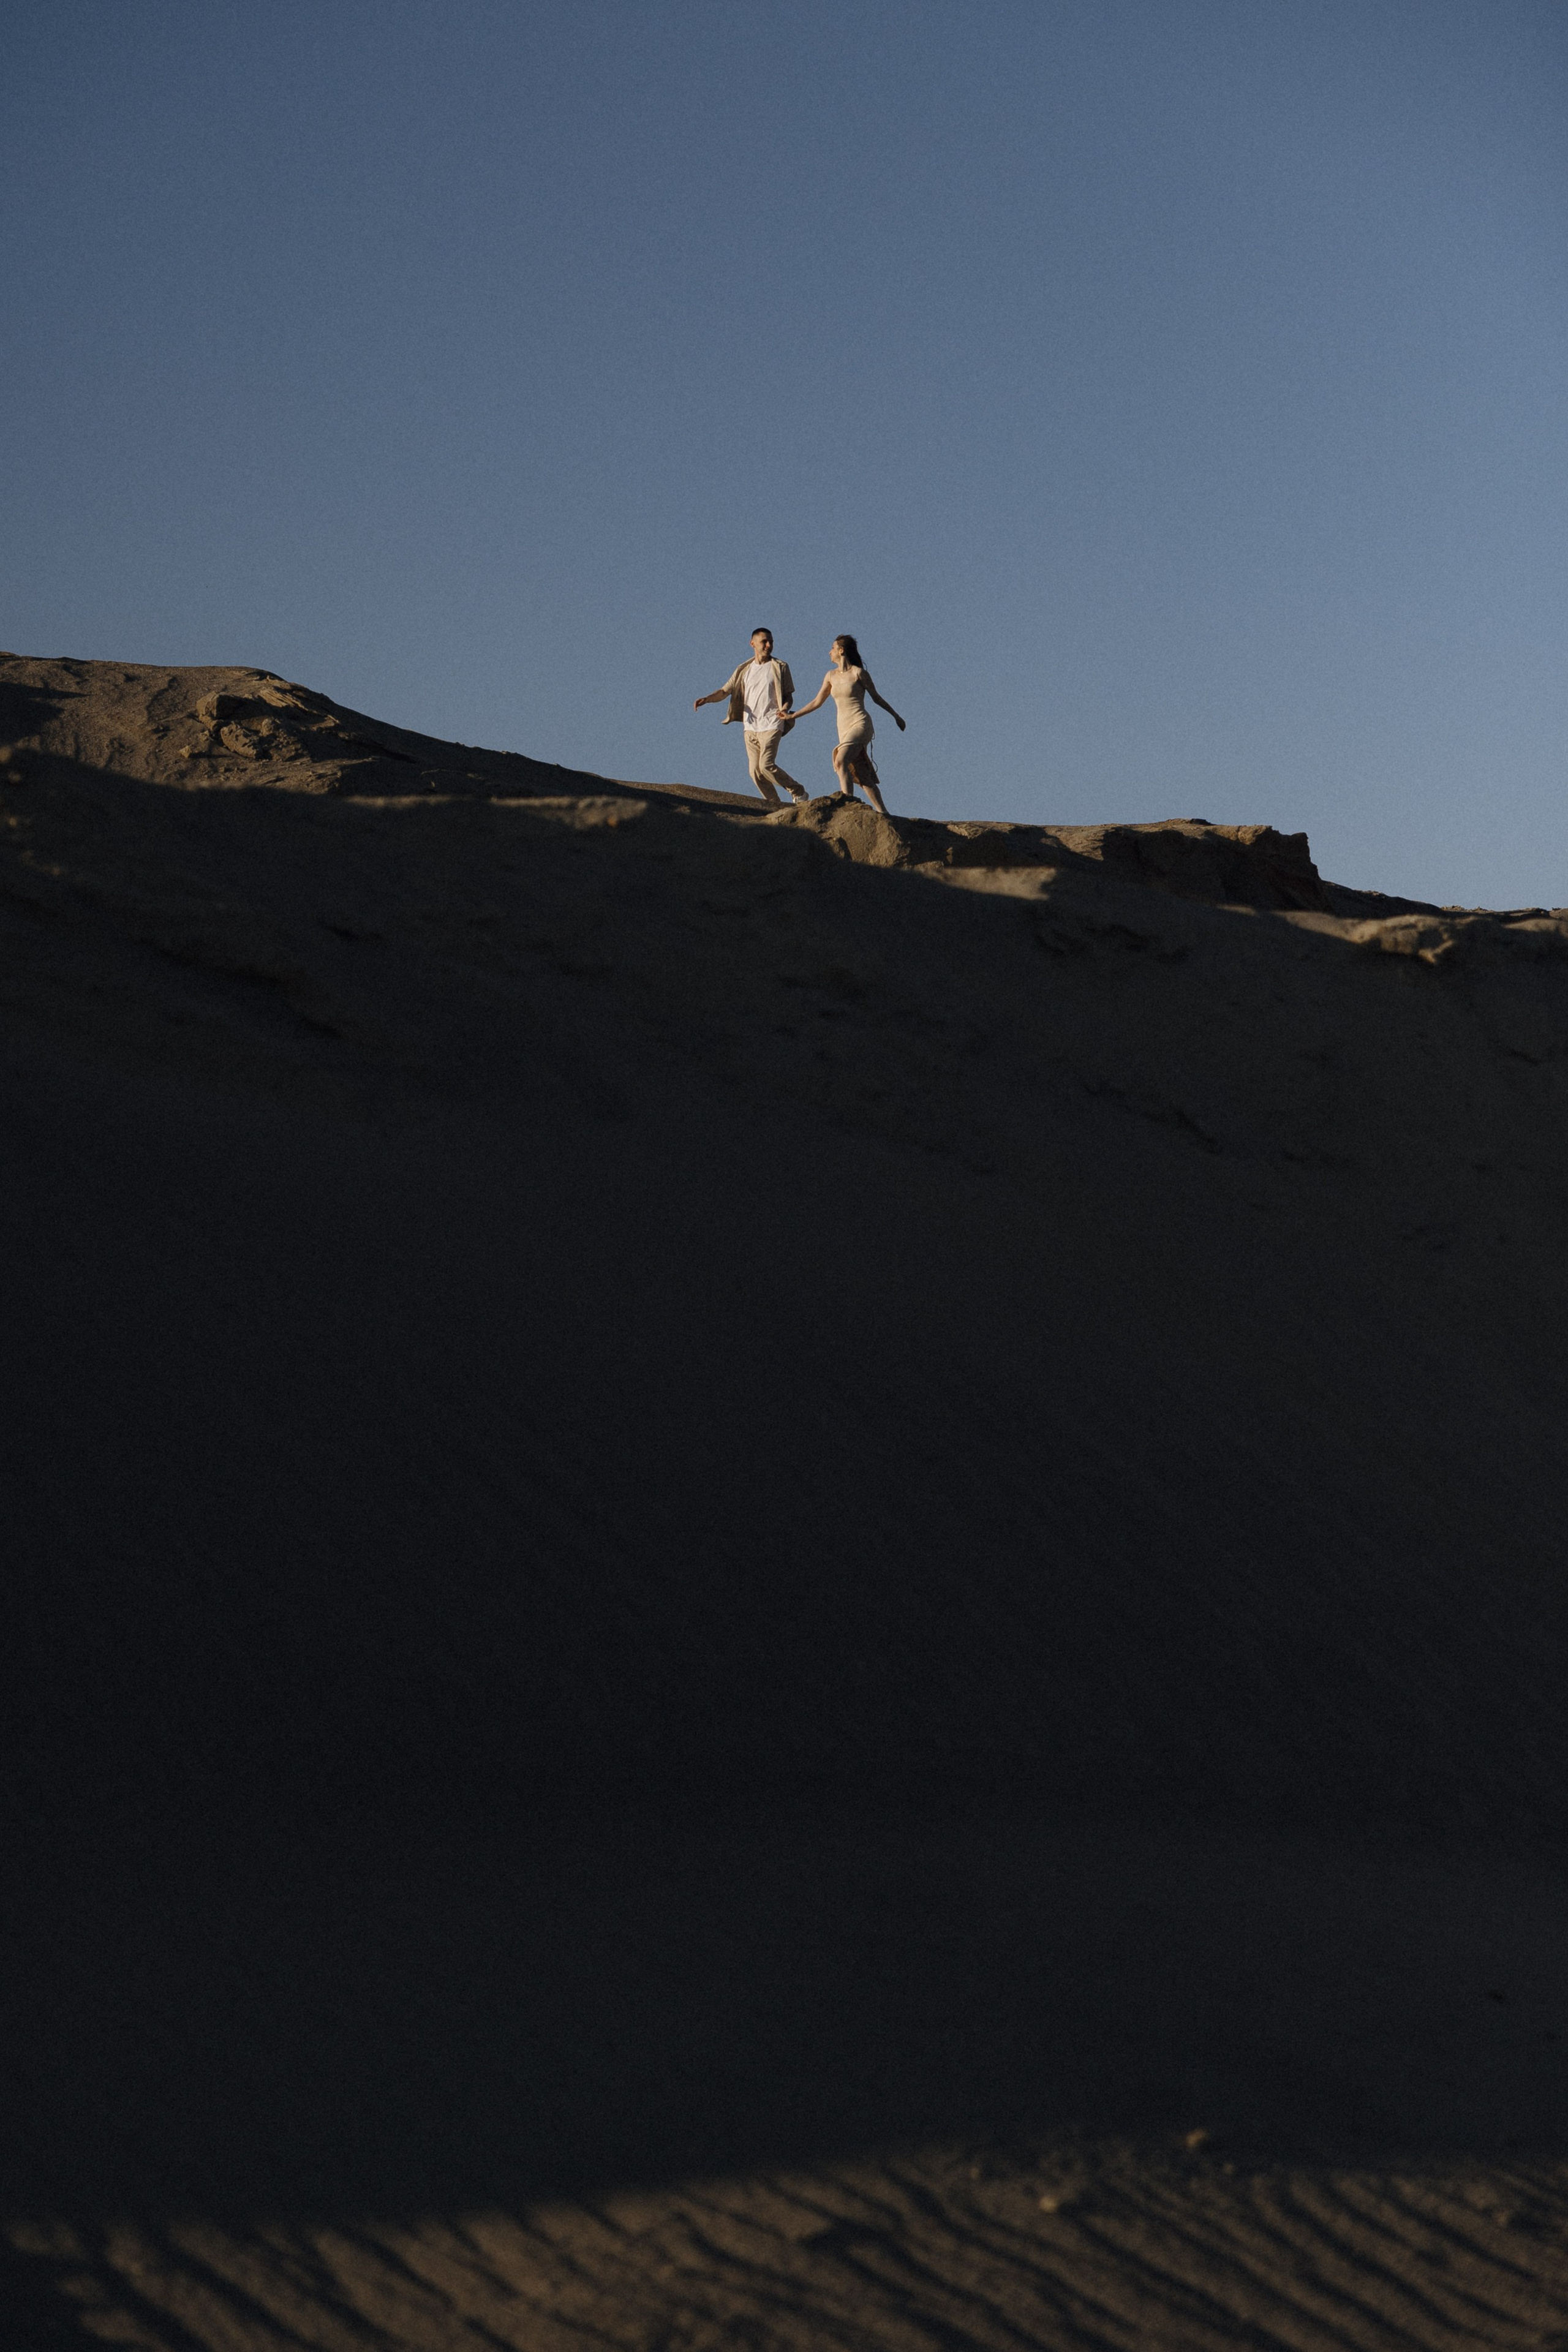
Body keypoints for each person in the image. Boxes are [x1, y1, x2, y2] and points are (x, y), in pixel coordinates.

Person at [788, 635, 905, 815]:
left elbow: (876, 698)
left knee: (841, 761)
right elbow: (817, 702)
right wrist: (794, 715)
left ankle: (847, 802)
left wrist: (896, 716)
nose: (830, 652)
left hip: (860, 724)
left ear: (841, 651)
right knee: (863, 776)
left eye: (833, 648)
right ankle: (884, 814)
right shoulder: (831, 676)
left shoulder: (859, 673)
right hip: (843, 728)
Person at [692, 628, 809, 807]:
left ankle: (798, 792)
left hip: (772, 723)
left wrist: (785, 709)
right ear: (753, 643)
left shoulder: (780, 667)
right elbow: (724, 691)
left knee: (766, 765)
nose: (769, 645)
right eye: (764, 642)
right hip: (750, 727)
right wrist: (707, 699)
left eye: (771, 642)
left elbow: (788, 696)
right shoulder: (744, 669)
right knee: (755, 772)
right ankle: (774, 804)